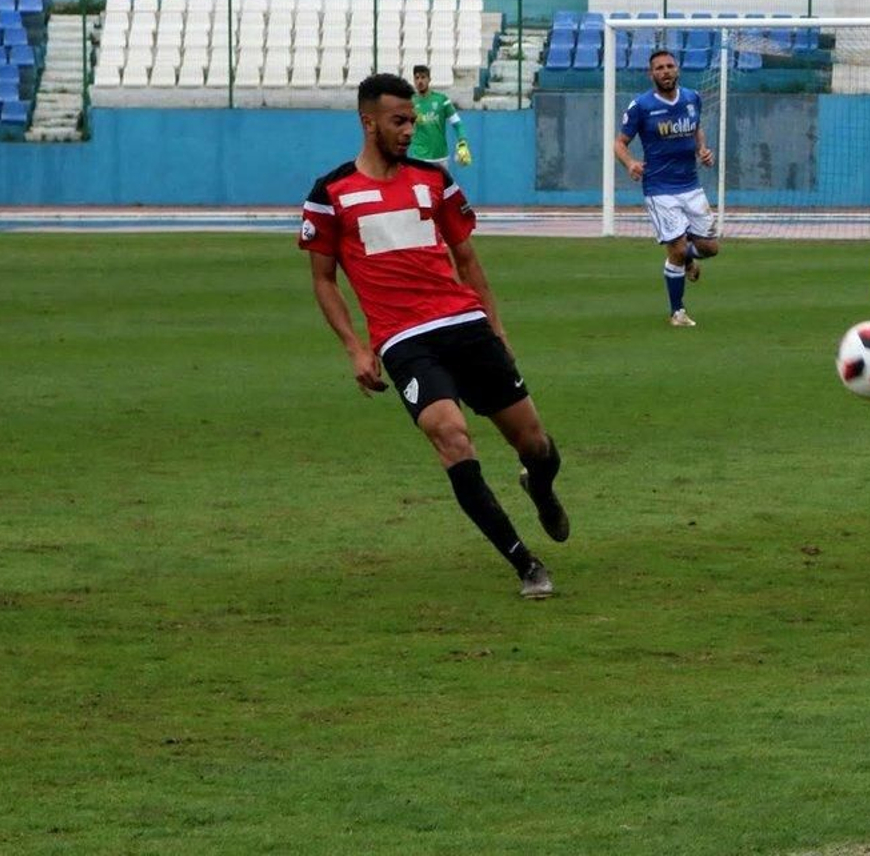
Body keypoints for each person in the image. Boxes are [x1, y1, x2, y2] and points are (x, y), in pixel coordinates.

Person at [299, 73, 568, 599]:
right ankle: (525, 564)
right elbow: (323, 280)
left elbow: (467, 258)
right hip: (405, 341)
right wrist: (356, 347)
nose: (409, 130)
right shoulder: (330, 193)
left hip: (464, 325)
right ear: (367, 121)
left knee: (536, 444)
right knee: (452, 436)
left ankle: (539, 486)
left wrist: (496, 326)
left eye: (412, 120)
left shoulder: (433, 180)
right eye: (398, 121)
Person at [612, 49, 720, 327]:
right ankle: (677, 312)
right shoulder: (641, 106)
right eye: (659, 67)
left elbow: (696, 129)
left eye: (670, 66)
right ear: (651, 74)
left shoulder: (692, 98)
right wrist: (630, 163)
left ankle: (687, 261)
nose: (665, 71)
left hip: (691, 186)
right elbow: (620, 142)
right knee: (677, 248)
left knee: (710, 247)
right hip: (660, 189)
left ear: (678, 69)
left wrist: (703, 150)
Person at [409, 64, 471, 172]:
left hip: (440, 157)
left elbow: (457, 124)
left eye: (423, 77)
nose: (420, 81)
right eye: (417, 78)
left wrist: (462, 142)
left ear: (429, 79)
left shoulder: (442, 100)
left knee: (442, 189)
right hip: (419, 157)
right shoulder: (410, 103)